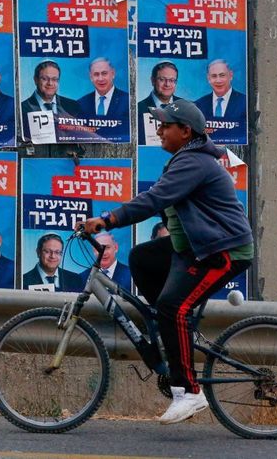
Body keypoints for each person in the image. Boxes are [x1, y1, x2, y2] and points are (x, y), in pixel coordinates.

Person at [80, 99, 253, 425]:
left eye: (165, 125)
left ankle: (190, 392)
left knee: (175, 307)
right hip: (194, 246)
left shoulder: (194, 163)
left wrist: (109, 218)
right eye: (158, 124)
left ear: (186, 131)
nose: (158, 130)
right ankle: (168, 330)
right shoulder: (184, 159)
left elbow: (155, 199)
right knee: (141, 258)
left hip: (223, 250)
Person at [20, 60, 81, 139]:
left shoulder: (73, 106)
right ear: (36, 80)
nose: (50, 83)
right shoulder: (22, 109)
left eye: (54, 79)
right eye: (45, 79)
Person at [138, 61, 182, 145]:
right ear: (153, 81)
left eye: (172, 80)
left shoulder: (187, 108)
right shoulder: (138, 110)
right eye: (162, 79)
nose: (167, 84)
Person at [77, 57, 130, 122]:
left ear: (113, 74)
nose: (100, 79)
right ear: (91, 77)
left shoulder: (128, 101)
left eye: (104, 73)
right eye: (96, 74)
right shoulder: (82, 103)